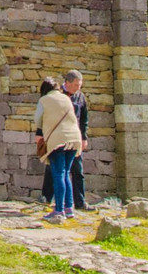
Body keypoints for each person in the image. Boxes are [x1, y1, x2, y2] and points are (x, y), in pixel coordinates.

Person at [38, 70, 91, 210]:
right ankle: (48, 198)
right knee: (54, 169)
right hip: (57, 137)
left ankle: (79, 202)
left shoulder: (80, 97)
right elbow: (44, 117)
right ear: (67, 83)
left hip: (73, 138)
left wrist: (84, 137)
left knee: (76, 170)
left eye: (80, 85)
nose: (78, 88)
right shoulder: (57, 95)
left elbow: (84, 119)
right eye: (75, 85)